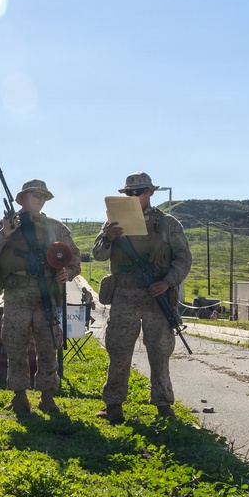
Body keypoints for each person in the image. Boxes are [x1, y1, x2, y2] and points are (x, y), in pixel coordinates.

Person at [91, 172, 191, 423]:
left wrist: (167, 282)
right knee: (119, 351)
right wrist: (108, 238)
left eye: (139, 192)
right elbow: (99, 256)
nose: (134, 197)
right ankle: (113, 405)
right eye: (129, 193)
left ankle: (163, 404)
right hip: (124, 295)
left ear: (150, 192)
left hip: (156, 296)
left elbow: (183, 258)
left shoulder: (168, 223)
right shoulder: (112, 224)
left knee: (159, 352)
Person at [0, 179, 80, 414]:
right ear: (23, 198)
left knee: (49, 346)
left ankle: (47, 396)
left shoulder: (55, 227)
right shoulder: (5, 224)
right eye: (36, 195)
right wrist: (5, 233)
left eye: (44, 196)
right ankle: (19, 396)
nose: (40, 199)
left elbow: (74, 253)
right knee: (15, 345)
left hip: (46, 291)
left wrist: (69, 271)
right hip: (17, 293)